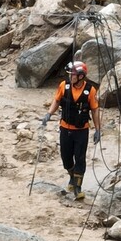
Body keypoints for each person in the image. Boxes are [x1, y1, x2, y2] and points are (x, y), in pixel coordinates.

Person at [41, 61, 101, 200]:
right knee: (66, 158)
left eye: (72, 75)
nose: (70, 77)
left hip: (81, 131)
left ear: (80, 76)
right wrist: (49, 114)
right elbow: (56, 101)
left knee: (80, 158)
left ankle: (77, 187)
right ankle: (72, 176)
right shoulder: (64, 86)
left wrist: (98, 130)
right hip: (65, 128)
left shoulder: (90, 90)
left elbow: (95, 110)